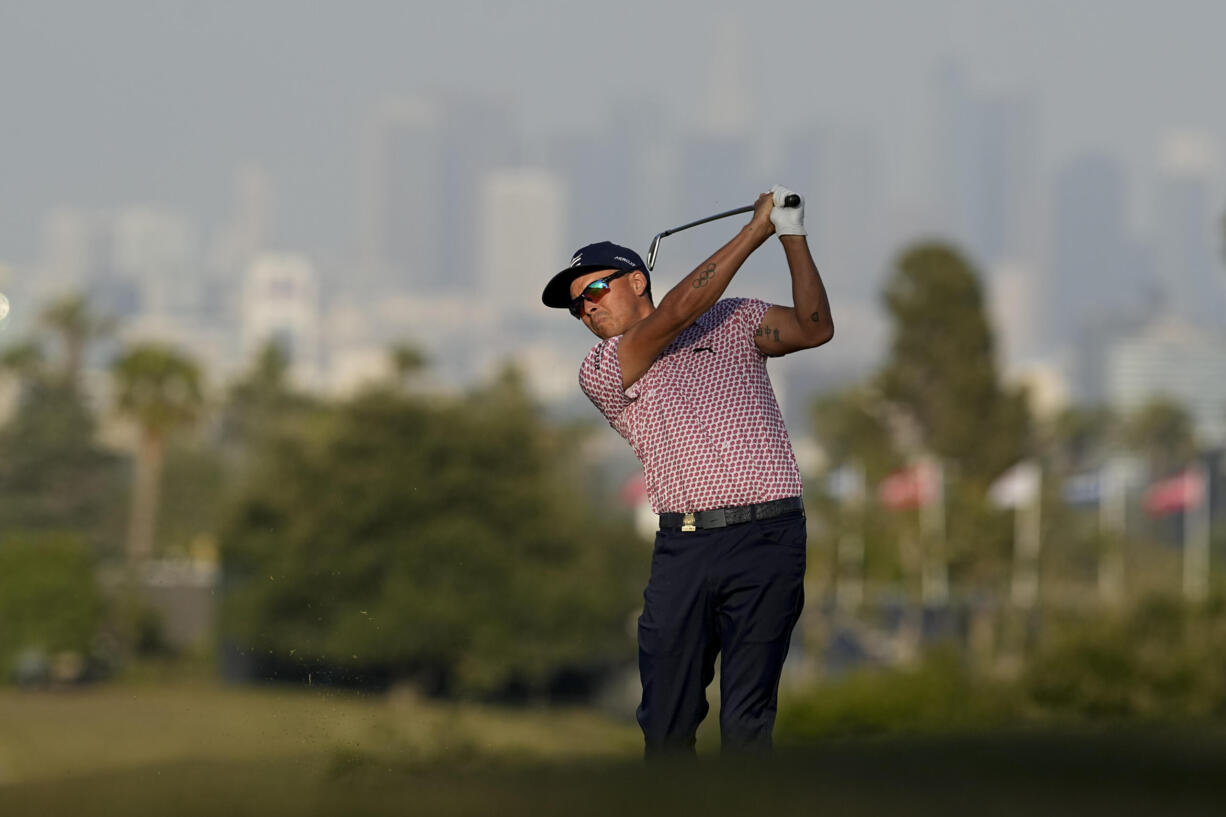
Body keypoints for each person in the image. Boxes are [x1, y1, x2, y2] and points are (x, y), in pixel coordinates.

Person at [540, 186, 834, 756]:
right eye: (577, 306)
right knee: (667, 722)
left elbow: (814, 327)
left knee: (748, 720)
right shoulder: (606, 366)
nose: (586, 308)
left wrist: (792, 234)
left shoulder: (735, 318)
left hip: (770, 538)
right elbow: (676, 313)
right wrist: (757, 230)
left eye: (594, 289)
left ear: (636, 280)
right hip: (688, 547)